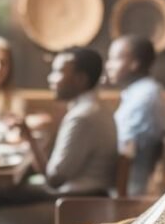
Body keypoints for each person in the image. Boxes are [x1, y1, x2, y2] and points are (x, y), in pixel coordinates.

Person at [19, 46, 117, 196]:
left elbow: (54, 179)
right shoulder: (98, 108)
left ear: (80, 79)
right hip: (87, 194)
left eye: (57, 72)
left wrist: (29, 137)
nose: (50, 78)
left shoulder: (82, 117)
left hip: (78, 199)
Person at [105, 35, 165, 196]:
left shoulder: (144, 97)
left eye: (114, 59)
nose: (108, 65)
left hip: (127, 187)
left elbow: (125, 148)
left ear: (134, 64)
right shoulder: (141, 92)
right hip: (125, 181)